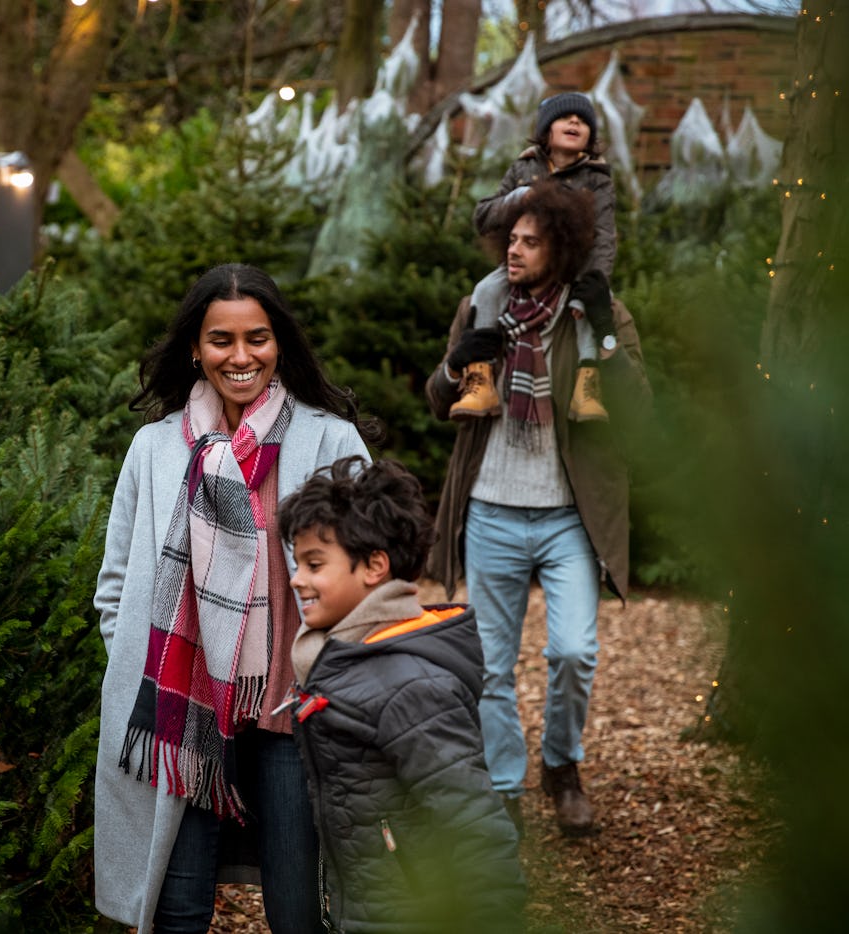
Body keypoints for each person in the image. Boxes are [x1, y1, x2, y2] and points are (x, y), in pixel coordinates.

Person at [94, 263, 376, 933]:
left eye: (259, 338)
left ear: (280, 344)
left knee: (299, 910)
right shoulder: (156, 448)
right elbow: (114, 587)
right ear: (196, 347)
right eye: (222, 340)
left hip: (294, 713)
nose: (241, 356)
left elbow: (374, 574)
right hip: (183, 719)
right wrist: (150, 665)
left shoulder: (329, 440)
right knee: (177, 912)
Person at [424, 181, 649, 838]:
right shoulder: (484, 304)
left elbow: (640, 411)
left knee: (575, 650)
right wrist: (455, 364)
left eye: (530, 241)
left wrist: (603, 333)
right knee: (493, 664)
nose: (515, 251)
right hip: (492, 509)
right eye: (510, 239)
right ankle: (503, 790)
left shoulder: (596, 310)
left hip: (567, 517)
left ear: (563, 245)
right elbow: (442, 400)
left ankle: (561, 767)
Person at [281, 455, 526, 932]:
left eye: (314, 564)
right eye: (297, 563)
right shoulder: (343, 656)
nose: (297, 579)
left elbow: (475, 821)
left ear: (374, 566)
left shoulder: (409, 685)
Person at [464, 91, 618, 424]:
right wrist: (521, 195)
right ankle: (480, 376)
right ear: (546, 130)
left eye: (583, 120)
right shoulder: (524, 167)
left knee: (591, 311)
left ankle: (587, 386)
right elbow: (483, 216)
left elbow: (604, 237)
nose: (575, 122)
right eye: (565, 118)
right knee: (486, 291)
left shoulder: (596, 178)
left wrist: (595, 282)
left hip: (573, 269)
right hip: (522, 266)